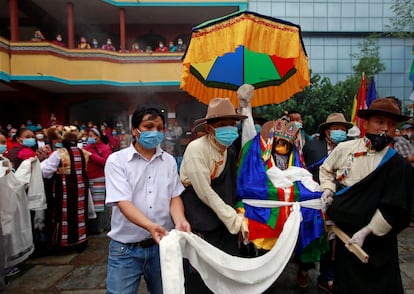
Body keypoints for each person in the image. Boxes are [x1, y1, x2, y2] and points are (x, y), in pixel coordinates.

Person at [319, 98, 413, 294]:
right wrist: (328, 189)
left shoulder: (398, 165)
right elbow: (326, 170)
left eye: (392, 124)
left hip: (379, 243)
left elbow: (398, 208)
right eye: (380, 121)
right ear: (366, 123)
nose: (386, 128)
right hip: (347, 238)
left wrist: (367, 231)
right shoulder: (345, 149)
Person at [104, 107, 191, 294]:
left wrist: (180, 220)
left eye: (160, 128)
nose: (155, 132)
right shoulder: (116, 161)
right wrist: (150, 226)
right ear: (135, 130)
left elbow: (174, 197)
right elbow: (123, 202)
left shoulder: (168, 161)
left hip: (161, 247)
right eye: (148, 126)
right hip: (125, 249)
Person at [180, 97, 249, 293]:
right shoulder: (196, 149)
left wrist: (240, 210)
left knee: (229, 270)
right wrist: (234, 221)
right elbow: (205, 193)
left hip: (223, 221)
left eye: (232, 124)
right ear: (210, 128)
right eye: (222, 124)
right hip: (201, 218)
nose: (229, 128)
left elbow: (232, 187)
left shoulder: (230, 150)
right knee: (202, 275)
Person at [302, 112, 353, 293]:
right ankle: (303, 269)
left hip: (340, 201)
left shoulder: (352, 148)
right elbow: (303, 171)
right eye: (336, 128)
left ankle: (327, 277)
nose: (340, 132)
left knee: (333, 243)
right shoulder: (312, 146)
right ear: (327, 131)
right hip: (313, 202)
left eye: (343, 129)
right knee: (311, 236)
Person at [40, 126, 90, 252]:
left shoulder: (59, 153)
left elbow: (46, 172)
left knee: (64, 215)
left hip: (64, 189)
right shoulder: (84, 152)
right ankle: (81, 239)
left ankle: (65, 242)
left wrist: (41, 162)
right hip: (81, 188)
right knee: (80, 213)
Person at [84, 128, 112, 233]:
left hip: (99, 178)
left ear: (98, 136)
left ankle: (100, 226)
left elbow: (106, 162)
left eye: (92, 136)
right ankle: (91, 227)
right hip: (88, 178)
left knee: (99, 205)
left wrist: (91, 155)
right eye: (89, 135)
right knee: (90, 204)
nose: (89, 138)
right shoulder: (87, 147)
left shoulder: (105, 148)